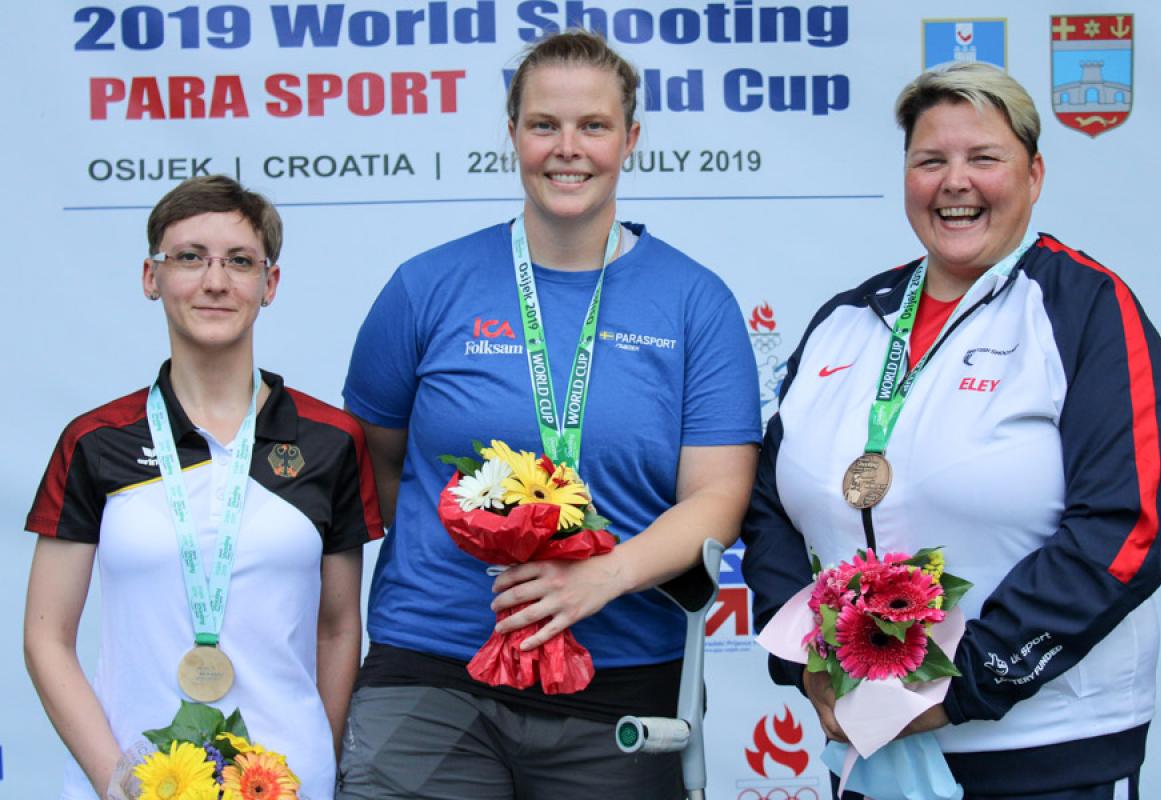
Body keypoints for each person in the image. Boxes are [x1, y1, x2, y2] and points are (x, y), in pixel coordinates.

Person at [742, 62, 1161, 799]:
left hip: (1047, 754)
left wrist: (963, 683)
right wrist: (810, 663)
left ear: (1034, 174)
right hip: (868, 751)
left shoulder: (1088, 309)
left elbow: (1130, 523)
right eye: (931, 161)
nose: (956, 182)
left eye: (984, 158)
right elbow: (768, 510)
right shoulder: (845, 320)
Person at [338, 30, 760, 800]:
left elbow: (717, 498)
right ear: (512, 135)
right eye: (544, 125)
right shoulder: (426, 287)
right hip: (435, 668)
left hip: (621, 679)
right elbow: (378, 461)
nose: (568, 149)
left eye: (593, 126)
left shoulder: (696, 302)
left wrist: (597, 579)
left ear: (630, 138)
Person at [24, 175, 384, 799]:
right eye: (189, 257)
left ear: (268, 284)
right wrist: (117, 779)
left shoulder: (330, 440)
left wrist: (315, 765)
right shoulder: (95, 440)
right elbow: (46, 637)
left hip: (286, 784)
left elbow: (337, 629)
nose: (214, 281)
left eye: (239, 262)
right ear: (150, 276)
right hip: (137, 787)